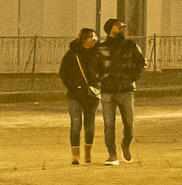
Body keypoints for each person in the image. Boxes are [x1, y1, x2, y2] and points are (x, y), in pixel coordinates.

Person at [98, 15, 146, 164]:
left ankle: (126, 145)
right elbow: (95, 66)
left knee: (129, 123)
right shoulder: (101, 48)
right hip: (107, 90)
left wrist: (133, 77)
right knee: (109, 125)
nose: (121, 27)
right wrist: (101, 78)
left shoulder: (130, 46)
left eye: (122, 25)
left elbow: (141, 63)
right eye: (117, 25)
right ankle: (112, 154)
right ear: (109, 29)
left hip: (126, 89)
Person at [57, 25, 101, 166]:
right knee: (76, 124)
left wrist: (98, 81)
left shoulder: (97, 54)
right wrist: (73, 86)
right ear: (84, 39)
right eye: (91, 37)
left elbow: (103, 70)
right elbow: (63, 73)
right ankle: (75, 155)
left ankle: (88, 151)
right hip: (75, 94)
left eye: (95, 37)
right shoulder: (72, 54)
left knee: (89, 125)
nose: (94, 40)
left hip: (91, 95)